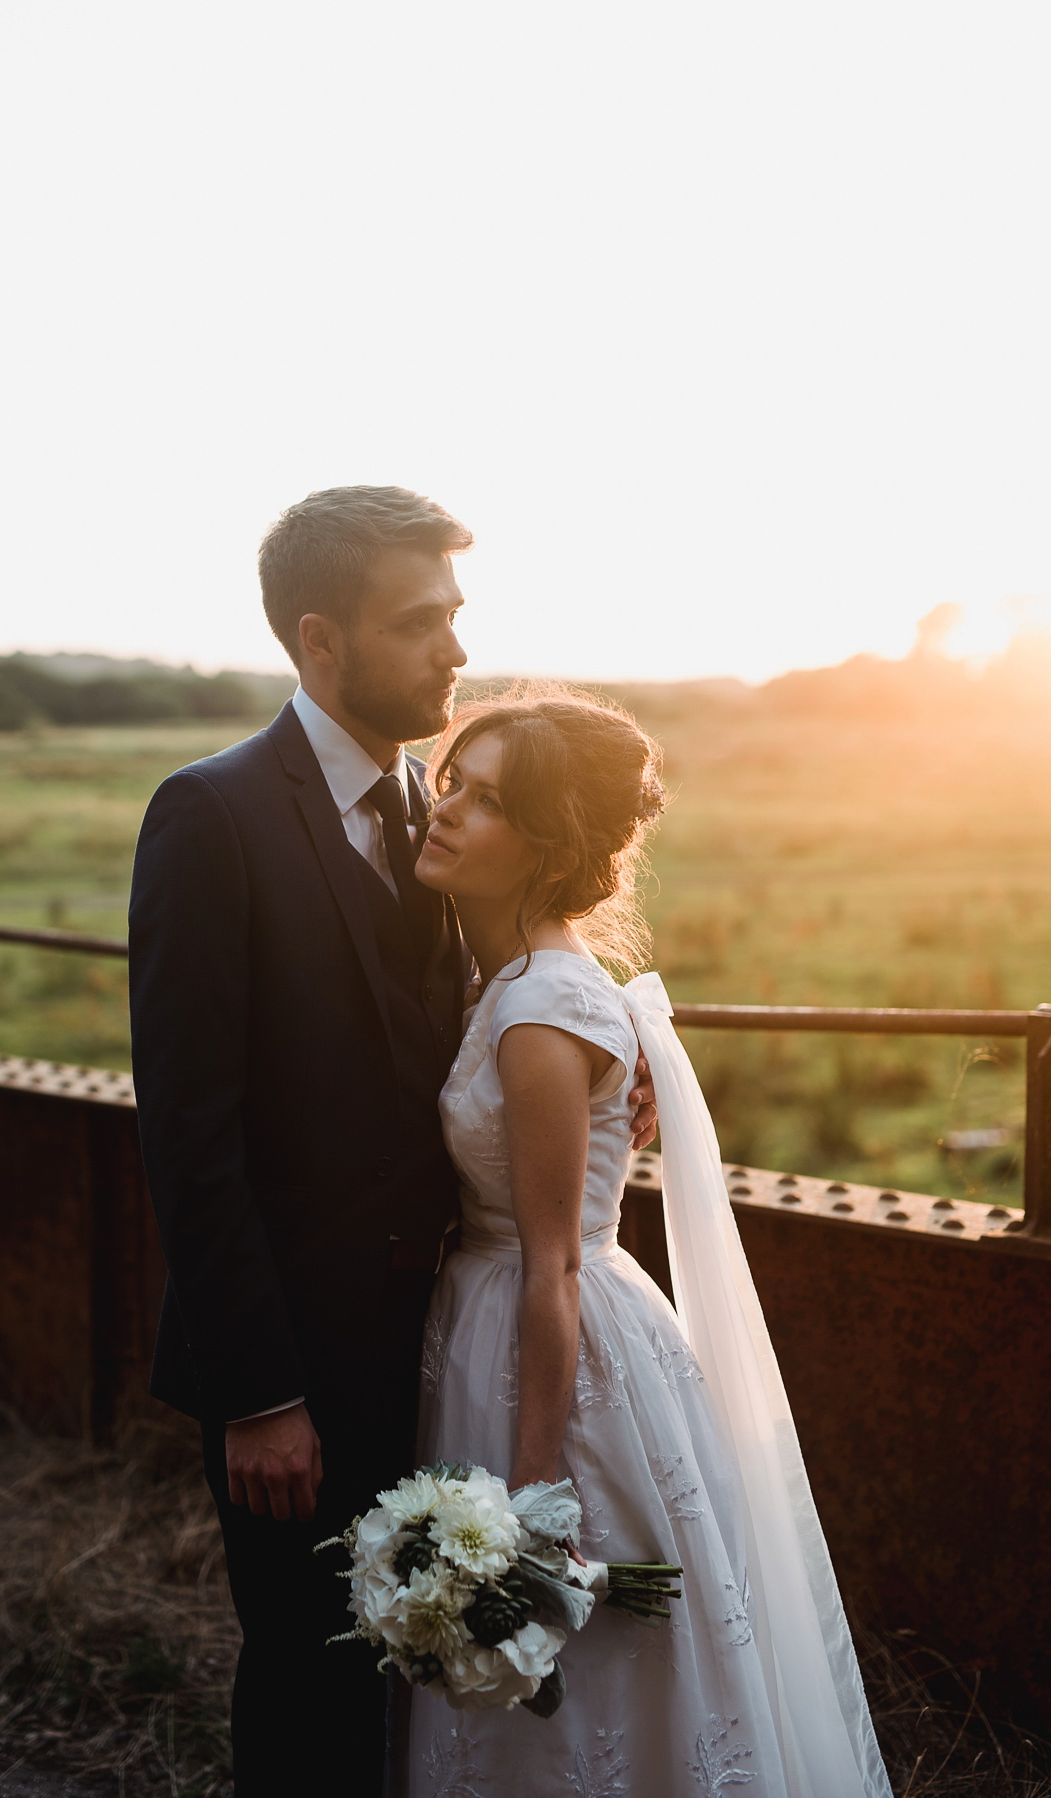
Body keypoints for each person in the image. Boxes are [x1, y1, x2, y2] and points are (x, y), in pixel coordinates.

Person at [127, 490, 658, 1798]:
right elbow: (190, 1135)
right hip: (289, 1367)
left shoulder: (439, 810)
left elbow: (529, 992)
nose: (453, 650)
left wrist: (620, 1069)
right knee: (306, 1684)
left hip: (433, 1352)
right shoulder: (212, 816)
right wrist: (259, 1393)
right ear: (321, 642)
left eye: (456, 616)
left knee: (406, 1695)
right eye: (419, 622)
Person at [403, 689, 893, 1797]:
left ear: (548, 844)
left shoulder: (540, 1011)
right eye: (453, 786)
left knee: (571, 1654)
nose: (447, 814)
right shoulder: (530, 982)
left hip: (547, 1337)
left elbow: (554, 1260)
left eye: (487, 802)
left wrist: (529, 1502)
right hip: (519, 1313)